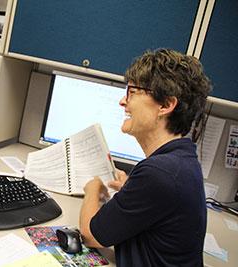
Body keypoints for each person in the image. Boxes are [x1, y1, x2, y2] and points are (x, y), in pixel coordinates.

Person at [79, 49, 211, 266]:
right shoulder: (182, 160)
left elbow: (90, 234)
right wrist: (131, 191)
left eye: (132, 91)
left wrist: (92, 188)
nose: (123, 101)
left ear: (166, 105)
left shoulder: (160, 173)